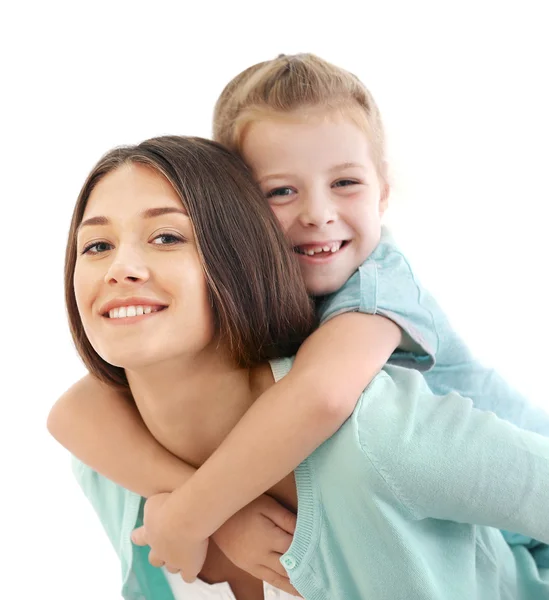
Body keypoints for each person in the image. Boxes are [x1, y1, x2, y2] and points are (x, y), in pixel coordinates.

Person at [50, 53, 549, 581]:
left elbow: (321, 396)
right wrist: (224, 514)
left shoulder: (376, 290)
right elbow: (72, 412)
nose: (317, 213)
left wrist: (194, 513)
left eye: (346, 184)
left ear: (383, 189)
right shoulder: (262, 306)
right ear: (237, 208)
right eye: (281, 191)